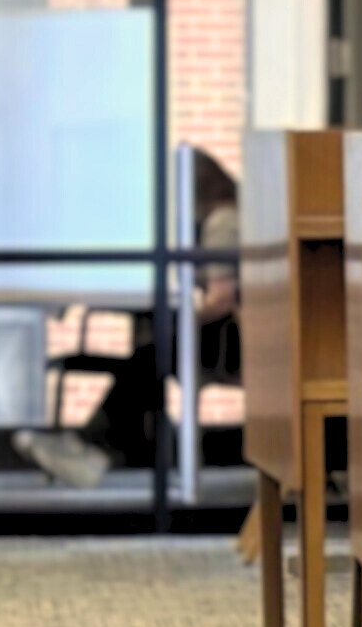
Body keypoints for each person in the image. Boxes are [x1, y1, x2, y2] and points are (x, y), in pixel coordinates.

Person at [13, 147, 242, 487]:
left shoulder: (222, 222)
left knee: (152, 357)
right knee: (150, 358)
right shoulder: (231, 217)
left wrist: (183, 317)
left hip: (234, 343)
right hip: (237, 338)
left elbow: (222, 298)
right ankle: (106, 449)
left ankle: (94, 448)